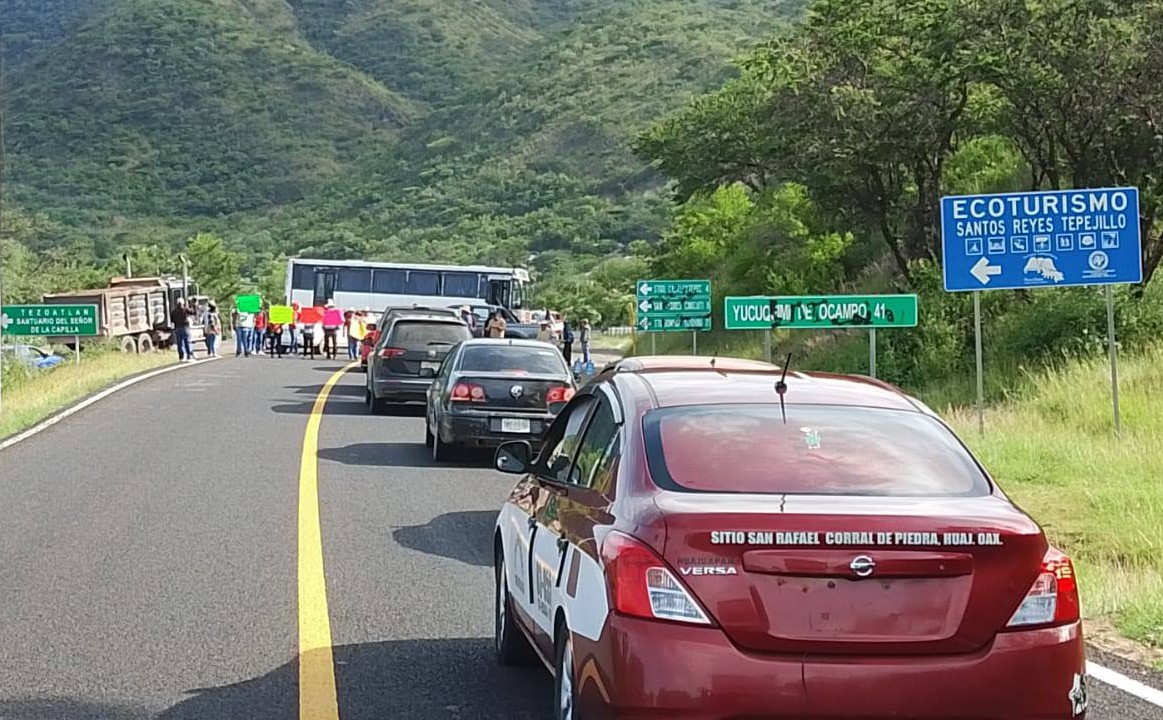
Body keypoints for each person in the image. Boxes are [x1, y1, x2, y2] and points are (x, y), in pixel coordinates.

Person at [171, 297, 196, 362]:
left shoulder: (173, 312)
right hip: (185, 327)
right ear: (183, 303)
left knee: (180, 344)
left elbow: (172, 320)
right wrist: (194, 305)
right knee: (187, 341)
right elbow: (193, 312)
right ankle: (189, 356)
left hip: (177, 328)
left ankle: (181, 357)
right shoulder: (185, 309)